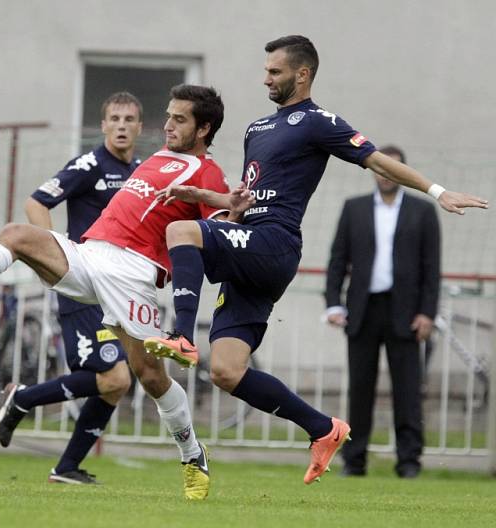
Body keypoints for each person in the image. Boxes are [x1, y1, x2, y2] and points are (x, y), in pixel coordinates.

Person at [144, 35, 487, 486]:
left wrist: (438, 192)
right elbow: (246, 200)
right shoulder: (257, 129)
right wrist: (206, 197)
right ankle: (324, 429)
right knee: (227, 370)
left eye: (275, 71)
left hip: (274, 244)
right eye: (265, 70)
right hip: (250, 240)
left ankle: (182, 338)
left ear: (302, 74)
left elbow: (378, 162)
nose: (265, 78)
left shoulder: (317, 122)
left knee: (180, 231)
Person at [0, 84, 252, 500]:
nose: (168, 124)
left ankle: (192, 455)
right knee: (17, 234)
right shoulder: (156, 157)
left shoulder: (208, 173)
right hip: (88, 254)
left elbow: (223, 227)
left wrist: (225, 206)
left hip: (131, 275)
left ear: (204, 127)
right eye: (168, 115)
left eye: (179, 119)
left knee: (150, 376)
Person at [0, 92, 142, 485]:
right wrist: (59, 251)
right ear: (104, 124)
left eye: (130, 119)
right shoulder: (90, 164)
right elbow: (36, 202)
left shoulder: (142, 172)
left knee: (114, 385)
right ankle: (23, 399)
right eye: (115, 118)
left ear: (140, 127)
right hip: (85, 287)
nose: (123, 125)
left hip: (118, 289)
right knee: (116, 378)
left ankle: (66, 467)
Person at [325, 145, 440, 478]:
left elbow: (431, 268)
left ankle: (408, 461)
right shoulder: (354, 208)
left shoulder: (422, 211)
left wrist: (427, 313)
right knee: (360, 388)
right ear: (373, 170)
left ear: (402, 172)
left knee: (407, 389)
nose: (385, 173)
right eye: (381, 167)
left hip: (406, 312)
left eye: (393, 168)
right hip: (363, 310)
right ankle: (354, 459)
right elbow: (337, 261)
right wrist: (334, 303)